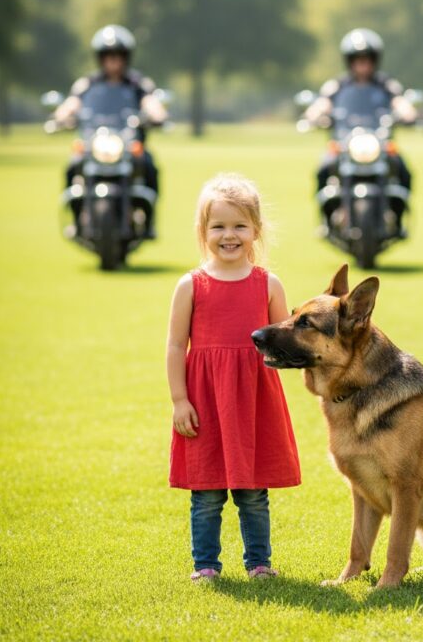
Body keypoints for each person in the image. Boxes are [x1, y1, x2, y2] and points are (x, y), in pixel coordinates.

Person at [166, 173, 301, 582]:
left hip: (253, 402)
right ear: (203, 231)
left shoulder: (268, 285)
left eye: (239, 225)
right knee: (206, 492)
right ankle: (205, 566)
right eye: (219, 226)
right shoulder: (191, 285)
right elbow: (175, 346)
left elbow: (289, 343)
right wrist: (179, 400)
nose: (229, 235)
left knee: (253, 493)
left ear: (256, 230)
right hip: (205, 400)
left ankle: (259, 563)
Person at [304, 28, 417, 229]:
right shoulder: (338, 85)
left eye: (367, 59)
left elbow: (400, 101)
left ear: (375, 60)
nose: (362, 64)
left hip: (378, 141)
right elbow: (323, 102)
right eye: (357, 59)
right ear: (349, 61)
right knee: (323, 169)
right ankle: (327, 218)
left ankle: (398, 217)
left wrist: (408, 114)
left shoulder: (385, 84)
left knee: (403, 170)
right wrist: (313, 115)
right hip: (345, 141)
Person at [55, 25, 167, 201]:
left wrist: (158, 116)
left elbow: (150, 102)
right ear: (101, 58)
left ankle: (148, 215)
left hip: (127, 143)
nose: (113, 60)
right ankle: (75, 212)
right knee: (74, 164)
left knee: (148, 164)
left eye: (118, 55)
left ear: (126, 57)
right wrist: (61, 116)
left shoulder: (138, 83)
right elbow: (72, 102)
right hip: (94, 142)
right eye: (108, 55)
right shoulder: (87, 83)